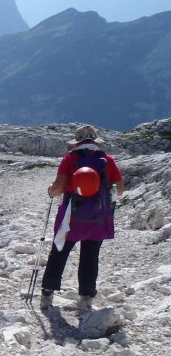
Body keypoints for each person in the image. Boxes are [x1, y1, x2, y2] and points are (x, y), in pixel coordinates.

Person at [40, 125, 124, 310]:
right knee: (90, 256)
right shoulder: (107, 159)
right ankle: (86, 297)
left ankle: (47, 293)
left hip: (71, 218)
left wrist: (50, 191)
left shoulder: (70, 158)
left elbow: (58, 189)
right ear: (95, 141)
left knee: (59, 251)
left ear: (77, 141)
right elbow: (120, 188)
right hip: (98, 219)